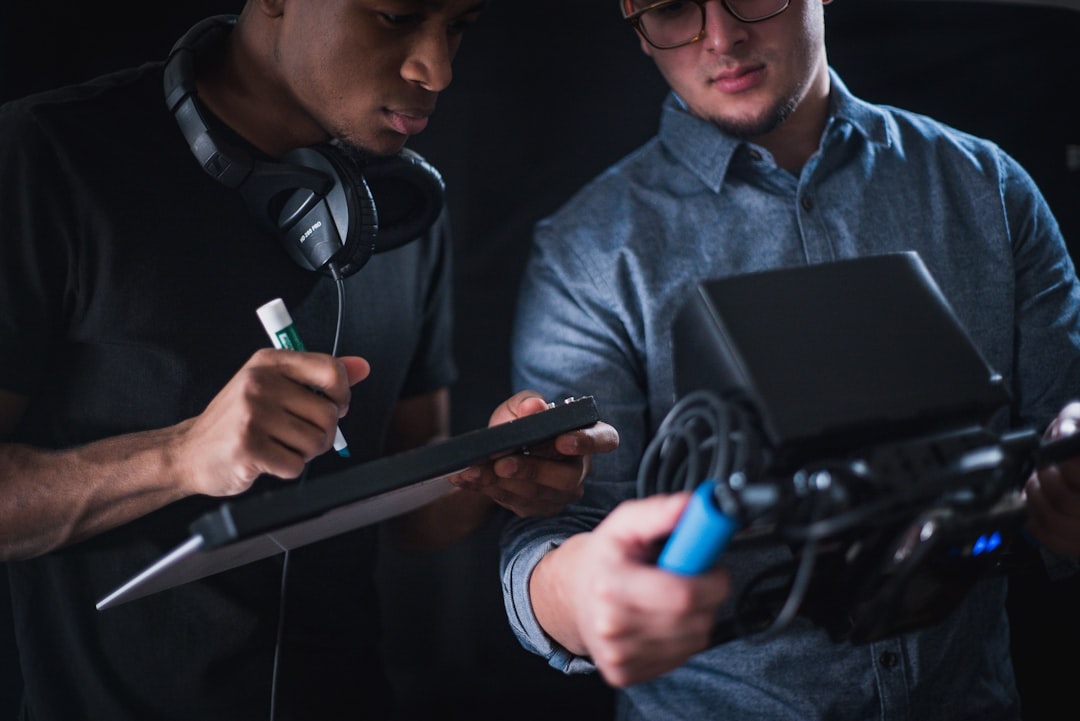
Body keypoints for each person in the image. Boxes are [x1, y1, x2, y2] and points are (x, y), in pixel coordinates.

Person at [0, 1, 618, 720]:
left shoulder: (401, 207)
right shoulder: (45, 158)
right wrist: (179, 456)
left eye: (457, 27)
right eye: (395, 16)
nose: (437, 69)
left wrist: (503, 468)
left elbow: (417, 519)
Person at [499, 1, 1080, 719]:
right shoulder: (587, 255)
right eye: (674, 7)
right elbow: (556, 528)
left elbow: (1063, 422)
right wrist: (576, 595)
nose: (722, 35)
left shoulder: (989, 190)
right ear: (633, 21)